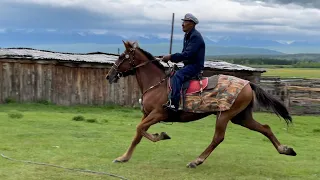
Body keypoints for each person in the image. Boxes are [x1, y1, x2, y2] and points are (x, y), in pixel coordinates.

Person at [162, 13, 206, 112]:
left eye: (185, 22)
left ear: (192, 24)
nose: (182, 24)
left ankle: (174, 104)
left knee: (178, 76)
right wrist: (172, 58)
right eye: (183, 21)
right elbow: (184, 54)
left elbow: (187, 54)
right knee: (172, 74)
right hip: (189, 65)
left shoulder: (195, 37)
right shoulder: (188, 36)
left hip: (195, 66)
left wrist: (171, 57)